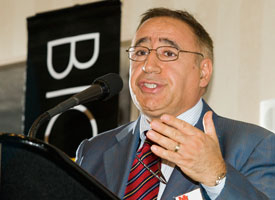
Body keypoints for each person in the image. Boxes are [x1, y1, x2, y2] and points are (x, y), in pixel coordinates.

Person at [76, 8, 275, 200]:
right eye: (140, 52)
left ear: (203, 72)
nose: (148, 65)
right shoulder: (93, 152)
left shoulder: (254, 146)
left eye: (168, 53)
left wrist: (216, 176)